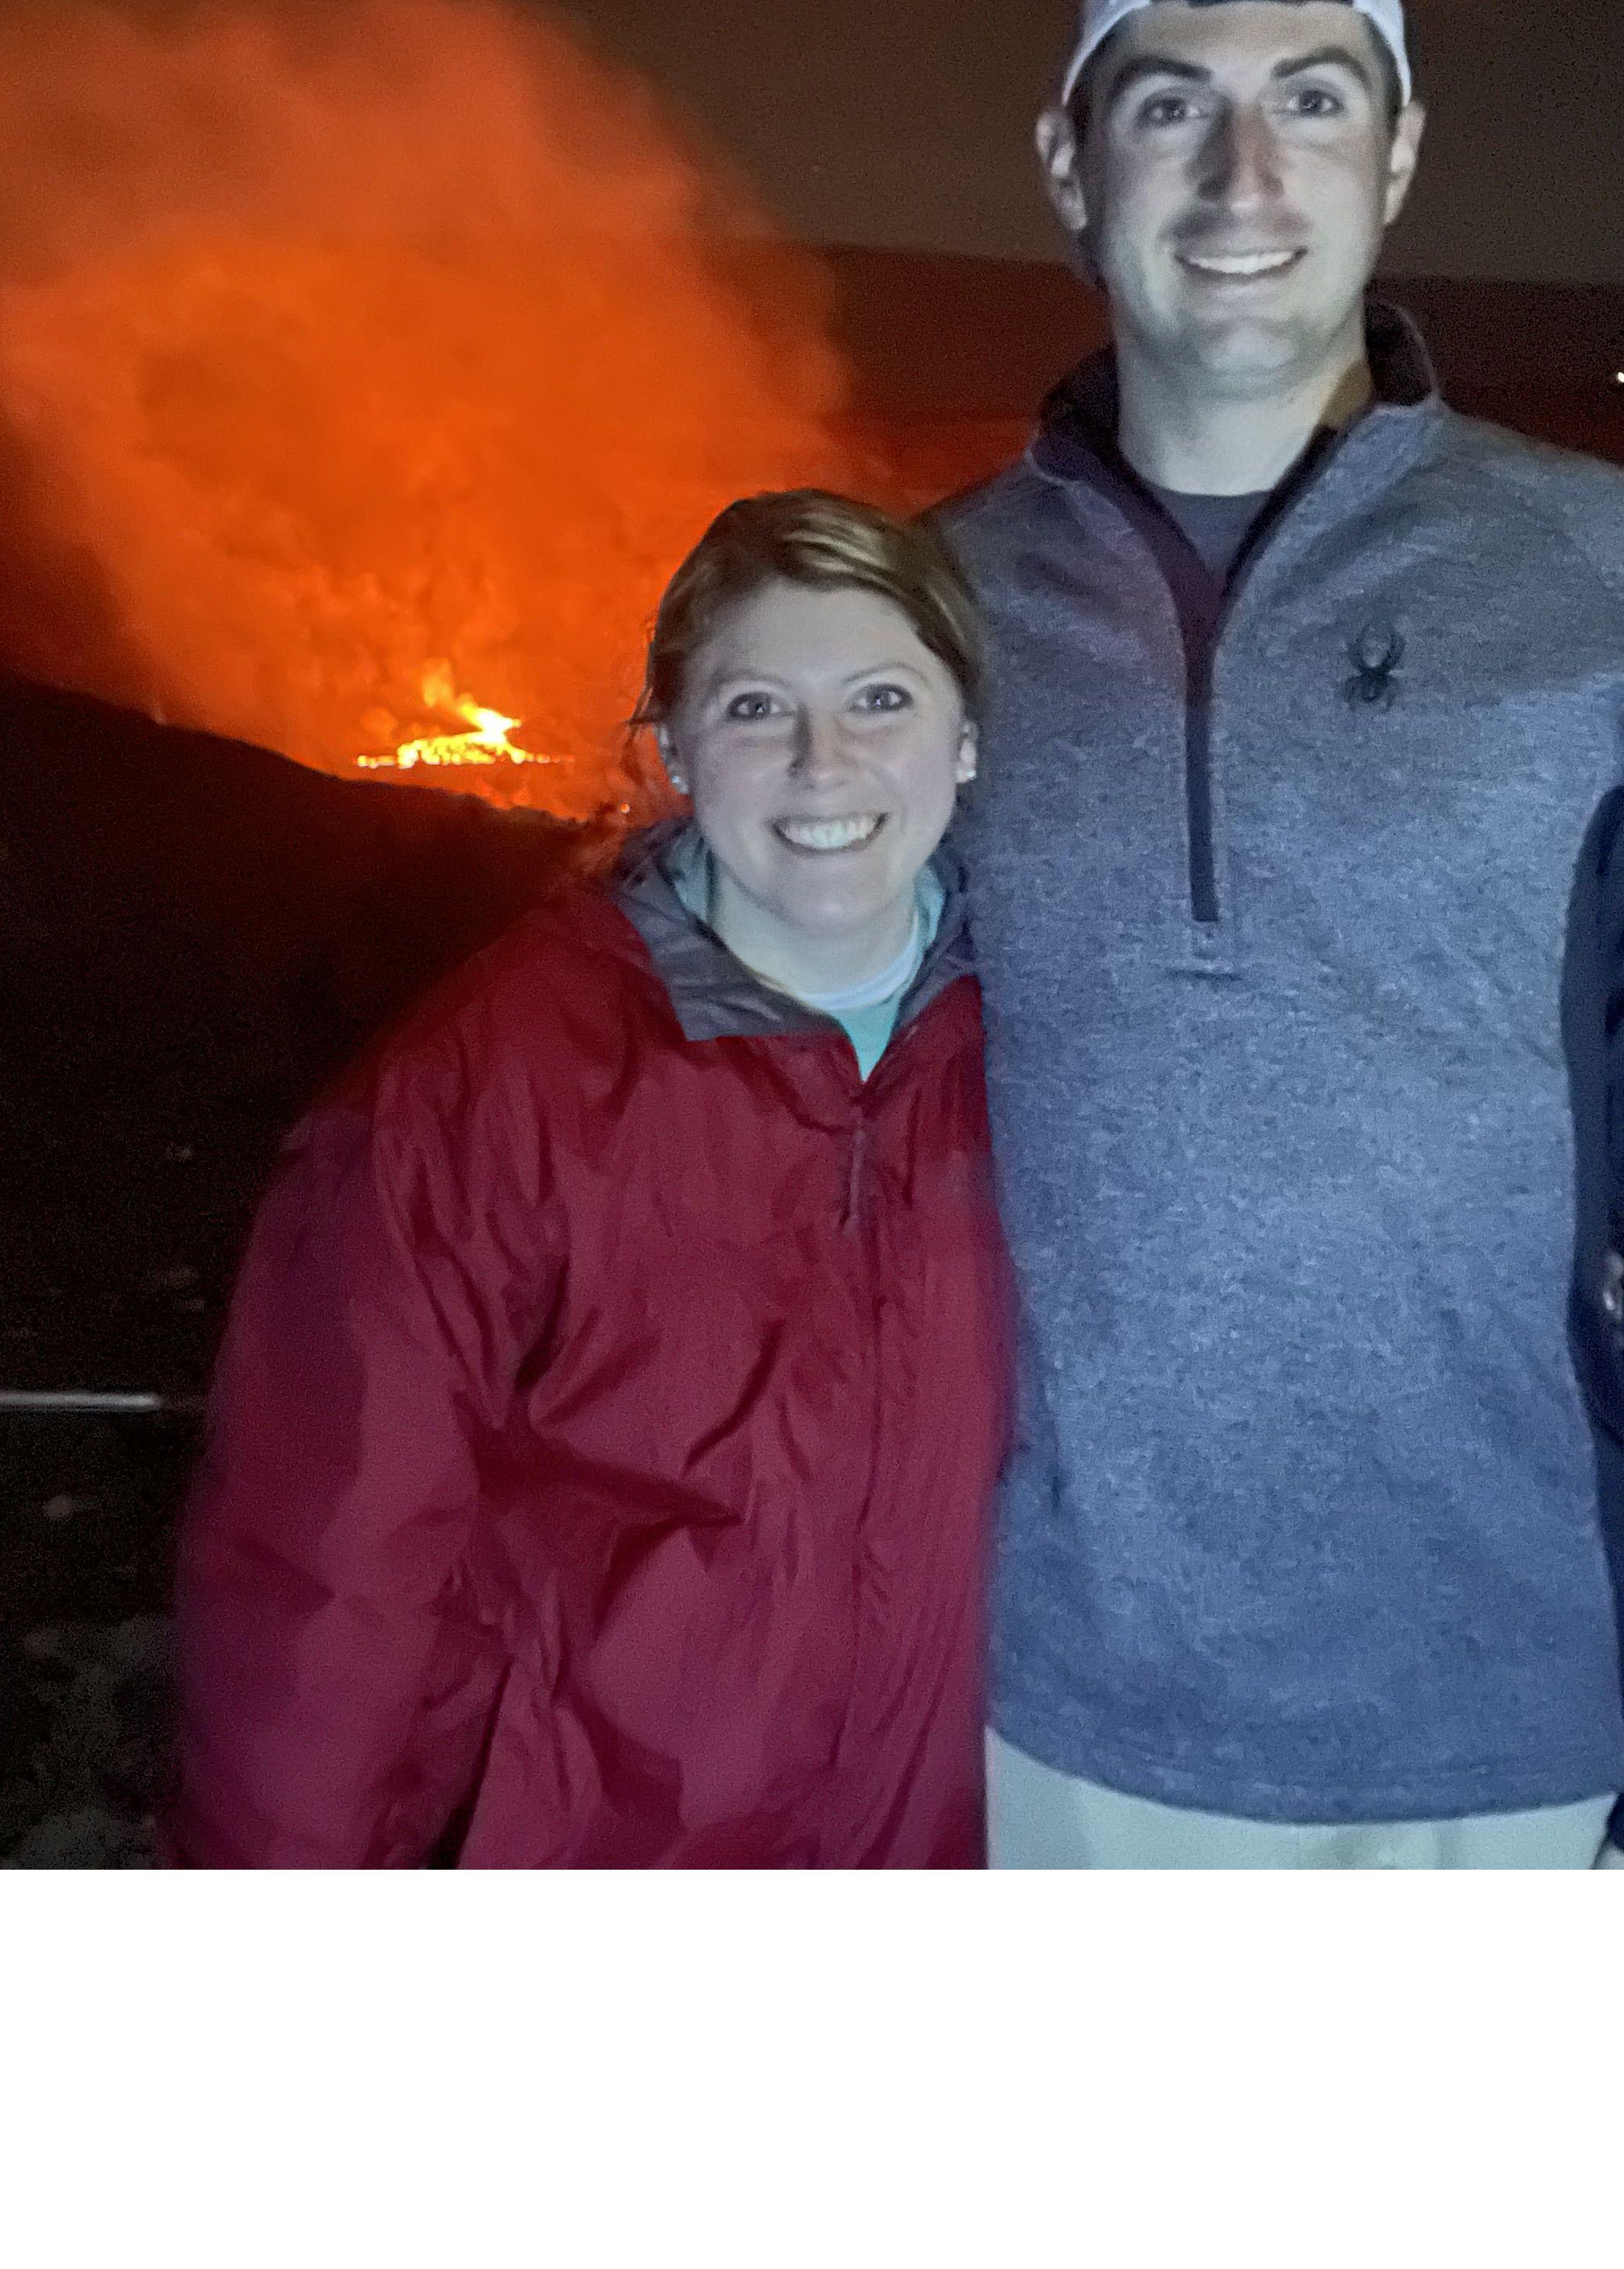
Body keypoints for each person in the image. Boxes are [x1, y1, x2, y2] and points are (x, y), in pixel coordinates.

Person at [937, 0, 1624, 1869]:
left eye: (1320, 96)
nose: (1245, 169)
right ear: (1068, 162)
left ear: (1404, 152)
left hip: (1523, 1754)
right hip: (1027, 1746)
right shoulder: (919, 621)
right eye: (1171, 101)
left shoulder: (1620, 586)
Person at [162, 490, 1008, 1867]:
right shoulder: (477, 1092)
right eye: (753, 710)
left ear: (964, 739)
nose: (822, 762)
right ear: (671, 744)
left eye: (878, 699)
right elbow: (329, 1575)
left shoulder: (1060, 1059)